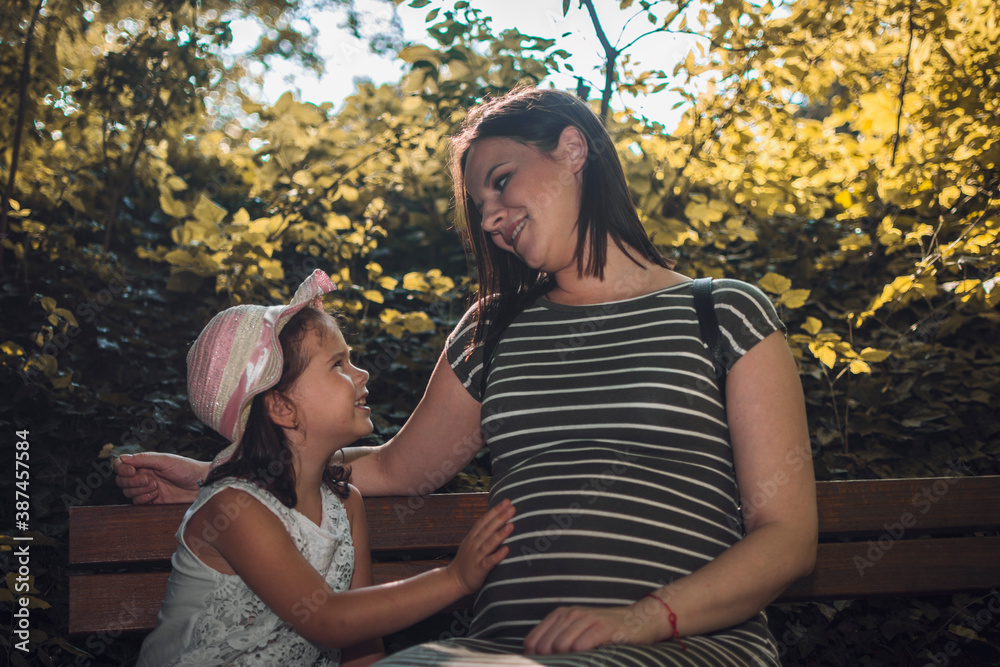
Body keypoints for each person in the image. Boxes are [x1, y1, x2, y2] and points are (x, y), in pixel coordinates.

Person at [117, 87, 817, 666]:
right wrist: (225, 465)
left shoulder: (720, 312)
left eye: (501, 181)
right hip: (497, 651)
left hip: (685, 645)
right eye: (479, 205)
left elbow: (787, 535)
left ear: (573, 149)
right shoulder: (495, 328)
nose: (490, 218)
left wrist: (636, 619)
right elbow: (393, 468)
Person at [134, 269, 515, 667]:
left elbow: (361, 647)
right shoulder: (236, 510)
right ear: (281, 407)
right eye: (338, 364)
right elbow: (328, 620)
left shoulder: (345, 502)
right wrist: (454, 579)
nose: (362, 373)